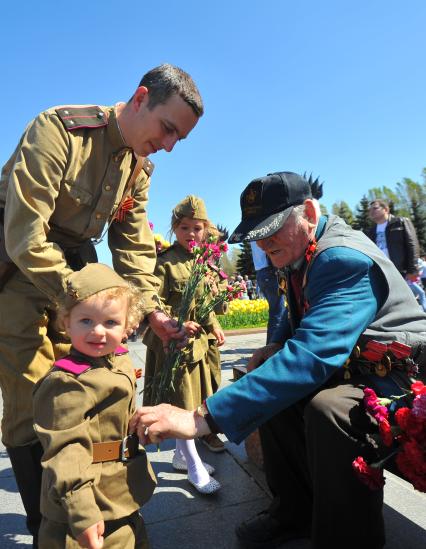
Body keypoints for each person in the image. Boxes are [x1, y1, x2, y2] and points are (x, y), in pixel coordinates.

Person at [131, 172, 426, 549]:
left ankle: (349, 538)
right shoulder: (303, 248)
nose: (263, 241)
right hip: (353, 368)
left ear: (307, 212)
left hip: (398, 383)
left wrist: (199, 417)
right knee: (275, 387)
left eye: (271, 229)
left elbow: (314, 355)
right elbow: (302, 322)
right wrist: (272, 350)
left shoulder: (339, 257)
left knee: (331, 409)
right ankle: (295, 512)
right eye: (257, 231)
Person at [0, 63, 202, 546]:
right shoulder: (60, 130)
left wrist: (151, 311)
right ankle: (45, 523)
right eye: (167, 128)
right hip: (20, 272)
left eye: (180, 138)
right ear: (139, 99)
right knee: (32, 398)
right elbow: (24, 236)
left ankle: (95, 508)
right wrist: (85, 302)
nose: (169, 144)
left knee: (88, 390)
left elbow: (133, 247)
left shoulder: (138, 165)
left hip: (78, 276)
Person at [33, 263, 156, 549]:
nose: (98, 332)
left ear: (128, 325)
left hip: (119, 491)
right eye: (85, 321)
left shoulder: (118, 358)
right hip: (83, 506)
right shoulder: (67, 382)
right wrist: (83, 513)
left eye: (111, 322)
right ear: (66, 321)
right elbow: (66, 450)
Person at [142, 195, 225, 493]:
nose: (192, 234)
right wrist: (174, 321)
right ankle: (194, 466)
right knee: (182, 402)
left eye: (197, 228)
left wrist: (213, 324)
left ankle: (180, 454)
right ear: (174, 229)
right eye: (185, 227)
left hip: (199, 348)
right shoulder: (164, 263)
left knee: (194, 399)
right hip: (175, 346)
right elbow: (152, 300)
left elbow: (205, 302)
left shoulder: (203, 263)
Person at [250, 241, 285, 343]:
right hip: (271, 272)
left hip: (263, 273)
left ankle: (272, 344)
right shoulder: (262, 231)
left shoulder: (253, 232)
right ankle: (273, 345)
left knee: (276, 310)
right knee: (278, 311)